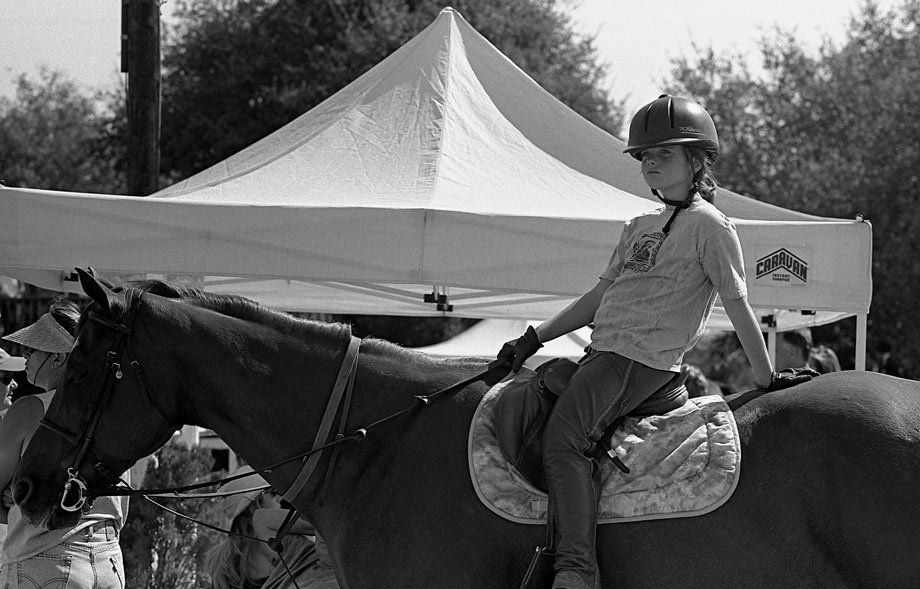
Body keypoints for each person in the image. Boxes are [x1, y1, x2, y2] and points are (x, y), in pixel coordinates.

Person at [497, 95, 816, 589]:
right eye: (644, 155)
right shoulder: (637, 226)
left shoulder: (712, 227)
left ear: (698, 161)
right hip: (602, 356)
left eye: (663, 153)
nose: (649, 162)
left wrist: (767, 377)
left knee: (563, 441)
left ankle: (576, 571)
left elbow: (737, 304)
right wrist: (533, 337)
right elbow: (598, 298)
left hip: (638, 361)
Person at [0, 299, 130, 588]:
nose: (25, 357)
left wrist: (18, 497)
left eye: (32, 350)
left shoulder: (29, 410)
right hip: (108, 561)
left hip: (45, 561)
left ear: (58, 358)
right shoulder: (117, 413)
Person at [204, 465, 337, 589]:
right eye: (273, 492)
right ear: (257, 504)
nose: (280, 497)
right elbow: (329, 519)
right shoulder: (265, 522)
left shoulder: (228, 570)